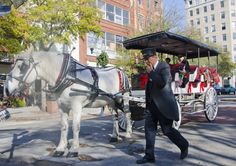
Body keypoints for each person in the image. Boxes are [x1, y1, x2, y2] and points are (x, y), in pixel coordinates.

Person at [136, 48, 189, 164]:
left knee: (167, 130)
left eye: (148, 58)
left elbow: (162, 83)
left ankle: (184, 145)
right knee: (149, 131)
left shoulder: (164, 66)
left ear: (154, 57)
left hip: (163, 106)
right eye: (145, 59)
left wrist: (151, 73)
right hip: (151, 106)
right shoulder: (150, 69)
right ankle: (149, 156)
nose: (146, 61)